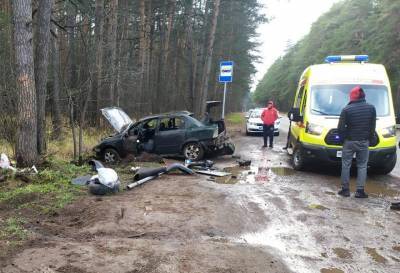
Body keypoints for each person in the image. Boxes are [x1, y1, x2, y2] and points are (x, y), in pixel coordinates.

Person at [337, 86, 376, 198]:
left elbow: (340, 128)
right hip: (364, 142)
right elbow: (372, 127)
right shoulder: (371, 108)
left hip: (349, 141)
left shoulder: (346, 109)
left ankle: (345, 190)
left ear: (352, 97)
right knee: (362, 166)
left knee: (346, 165)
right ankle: (360, 191)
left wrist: (343, 139)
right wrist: (368, 138)